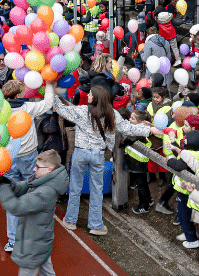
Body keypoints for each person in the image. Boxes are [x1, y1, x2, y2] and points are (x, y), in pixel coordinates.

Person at [53, 86, 157, 235]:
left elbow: (61, 109)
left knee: (75, 187)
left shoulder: (83, 111)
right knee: (97, 190)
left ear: (96, 97)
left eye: (90, 94)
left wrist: (50, 90)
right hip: (98, 154)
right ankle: (95, 225)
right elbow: (127, 129)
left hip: (80, 153)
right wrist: (149, 129)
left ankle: (70, 220)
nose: (88, 95)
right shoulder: (112, 114)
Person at [0, 150, 69, 276]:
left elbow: (17, 207)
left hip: (33, 246)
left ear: (49, 169)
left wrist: (2, 187)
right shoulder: (43, 179)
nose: (34, 169)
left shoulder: (46, 192)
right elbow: (23, 186)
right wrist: (6, 182)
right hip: (40, 242)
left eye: (38, 167)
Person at [0, 79, 55, 253]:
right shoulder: (28, 108)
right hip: (28, 157)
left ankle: (12, 240)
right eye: (22, 91)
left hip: (8, 158)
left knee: (12, 198)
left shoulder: (1, 110)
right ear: (17, 95)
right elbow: (48, 103)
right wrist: (49, 85)